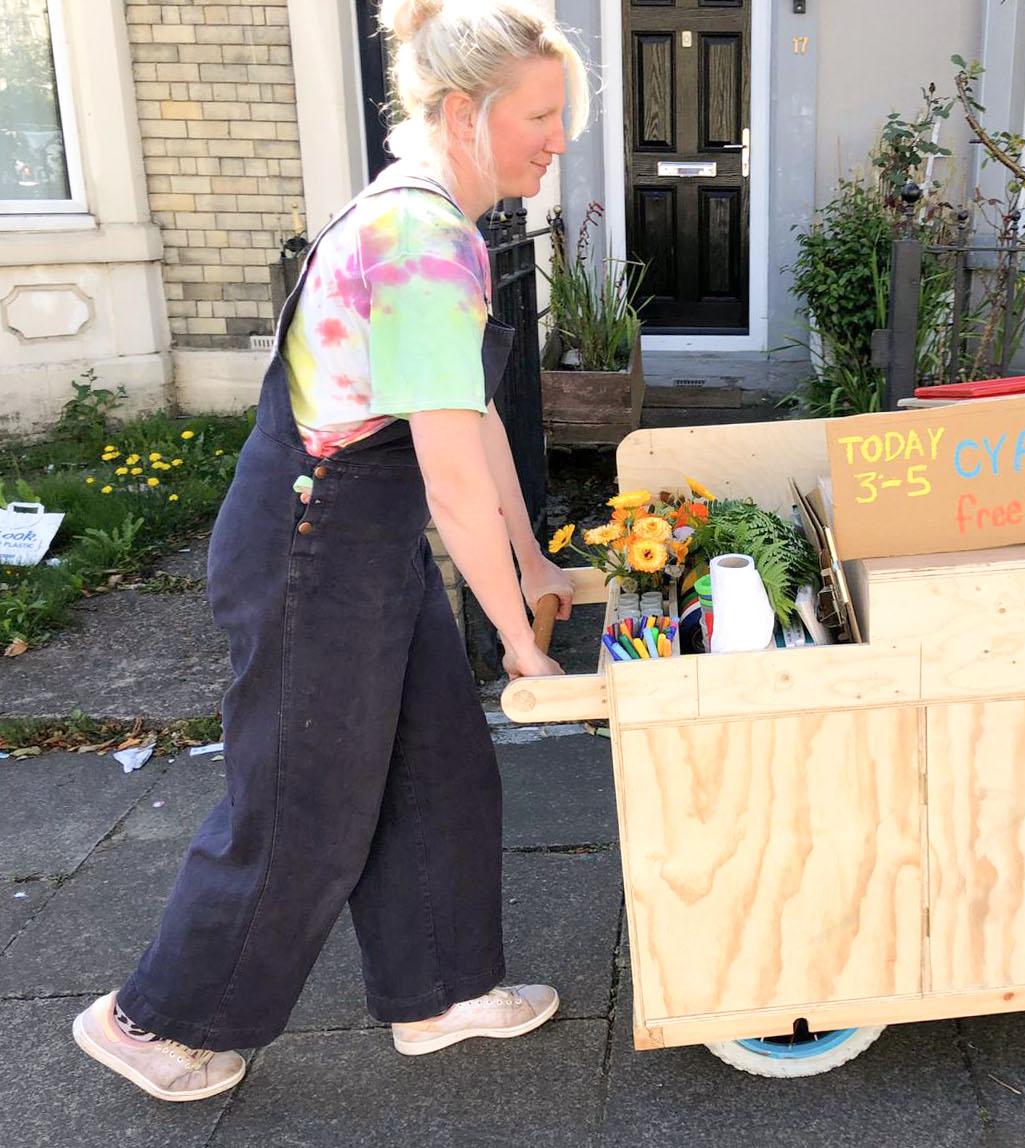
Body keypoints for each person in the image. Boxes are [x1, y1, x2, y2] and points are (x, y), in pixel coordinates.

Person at [72, 0, 589, 1101]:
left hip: (361, 536)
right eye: (542, 115)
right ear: (467, 111)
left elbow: (472, 424)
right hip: (315, 546)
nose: (559, 138)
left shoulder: (437, 223)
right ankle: (153, 1022)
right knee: (304, 800)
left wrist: (533, 562)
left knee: (437, 762)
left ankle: (441, 991)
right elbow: (449, 476)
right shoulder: (420, 242)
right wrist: (517, 639)